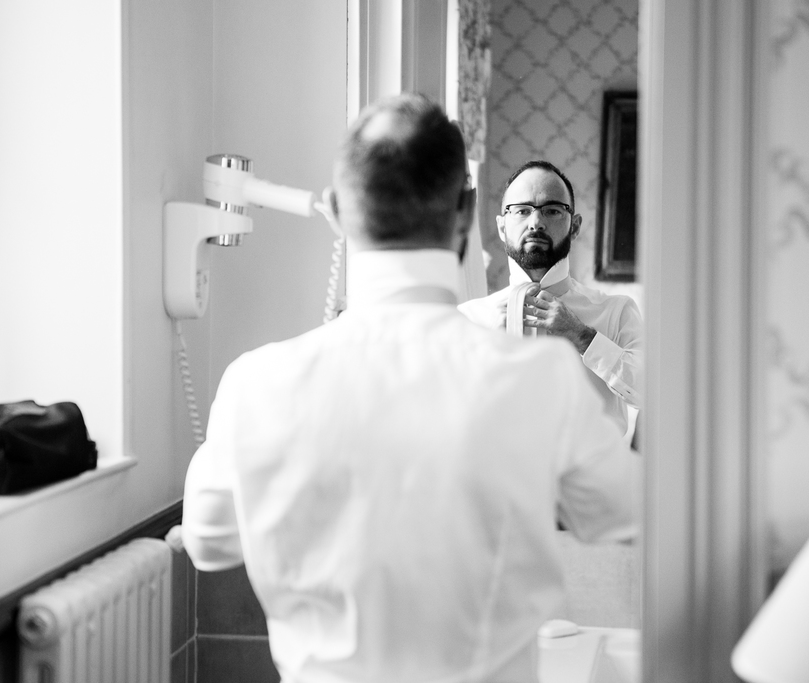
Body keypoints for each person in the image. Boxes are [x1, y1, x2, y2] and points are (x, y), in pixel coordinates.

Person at [182, 94, 635, 683]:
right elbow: (626, 511)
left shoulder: (255, 384)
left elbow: (210, 544)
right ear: (471, 215)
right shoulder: (536, 379)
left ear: (339, 212)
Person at [458, 161, 642, 436]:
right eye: (521, 211)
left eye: (552, 210)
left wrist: (583, 337)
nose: (536, 223)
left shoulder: (617, 312)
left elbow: (655, 392)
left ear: (575, 226)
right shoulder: (468, 320)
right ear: (501, 227)